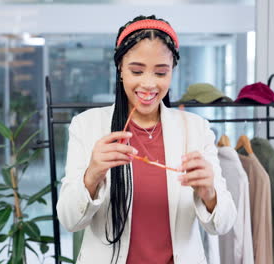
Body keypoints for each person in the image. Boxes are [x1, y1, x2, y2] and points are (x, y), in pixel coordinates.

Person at [56, 15, 236, 264]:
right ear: (120, 68)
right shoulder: (87, 126)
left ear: (172, 71)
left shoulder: (196, 129)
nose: (149, 84)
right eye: (137, 71)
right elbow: (69, 220)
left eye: (161, 72)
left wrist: (209, 193)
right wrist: (92, 174)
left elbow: (224, 224)